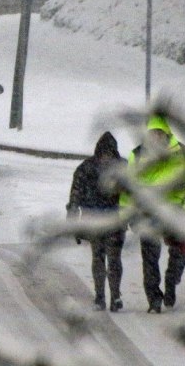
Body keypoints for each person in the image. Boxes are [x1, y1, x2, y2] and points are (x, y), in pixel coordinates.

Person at [120, 114, 185, 313]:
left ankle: (171, 281)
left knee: (180, 252)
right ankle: (153, 298)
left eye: (159, 133)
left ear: (166, 133)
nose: (155, 138)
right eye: (152, 133)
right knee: (150, 257)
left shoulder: (183, 153)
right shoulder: (137, 155)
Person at [67, 132, 126, 312]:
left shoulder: (86, 168)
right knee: (109, 259)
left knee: (102, 258)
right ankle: (110, 296)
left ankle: (105, 296)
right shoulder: (122, 168)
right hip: (112, 219)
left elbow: (75, 195)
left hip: (98, 219)